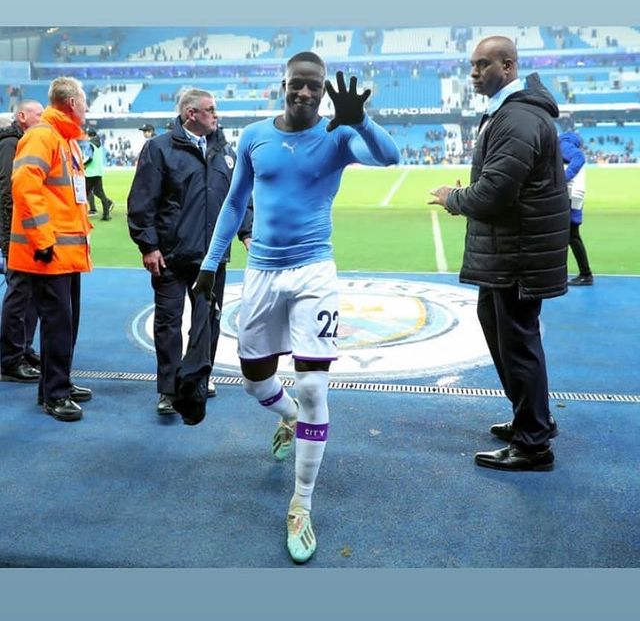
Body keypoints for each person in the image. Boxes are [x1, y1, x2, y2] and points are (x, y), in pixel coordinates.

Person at [193, 51, 400, 563]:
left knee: (311, 383)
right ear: (282, 85)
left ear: (324, 89)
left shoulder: (338, 135)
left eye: (315, 86)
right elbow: (235, 202)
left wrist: (362, 121)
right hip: (261, 270)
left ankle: (301, 503)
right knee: (254, 379)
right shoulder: (254, 136)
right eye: (297, 84)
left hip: (314, 269)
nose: (305, 93)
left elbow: (390, 157)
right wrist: (210, 262)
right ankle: (286, 418)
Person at [429, 36, 569, 472]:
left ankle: (533, 445)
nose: (473, 73)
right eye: (472, 65)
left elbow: (494, 193)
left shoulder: (518, 118)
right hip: (511, 251)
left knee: (518, 343)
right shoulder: (511, 114)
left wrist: (454, 196)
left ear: (507, 67)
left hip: (517, 255)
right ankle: (533, 420)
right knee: (501, 330)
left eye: (482, 65)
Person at [127, 89, 252, 416]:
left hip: (212, 257)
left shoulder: (226, 151)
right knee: (168, 323)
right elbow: (142, 201)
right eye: (210, 110)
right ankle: (168, 390)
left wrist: (246, 232)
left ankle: (198, 380)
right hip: (169, 256)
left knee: (207, 321)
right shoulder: (159, 149)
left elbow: (239, 198)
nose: (216, 115)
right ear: (190, 114)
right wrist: (149, 245)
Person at [9, 77, 93, 422]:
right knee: (58, 324)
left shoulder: (66, 140)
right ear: (72, 103)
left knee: (66, 324)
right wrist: (43, 241)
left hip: (67, 253)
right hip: (49, 253)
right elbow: (24, 185)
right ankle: (54, 394)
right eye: (84, 103)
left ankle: (58, 383)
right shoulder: (44, 137)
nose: (86, 109)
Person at [0, 100, 44, 383]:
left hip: (24, 230)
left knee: (30, 295)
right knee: (19, 295)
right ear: (22, 116)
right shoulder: (10, 145)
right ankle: (10, 359)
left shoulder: (24, 142)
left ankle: (22, 349)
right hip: (16, 233)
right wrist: (6, 238)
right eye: (38, 114)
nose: (43, 118)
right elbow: (6, 191)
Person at [560, 131, 593, 286]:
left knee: (570, 236)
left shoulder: (562, 144)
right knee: (570, 236)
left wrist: (563, 178)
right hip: (575, 195)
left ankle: (586, 274)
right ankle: (584, 273)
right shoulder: (567, 144)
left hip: (570, 195)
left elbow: (579, 157)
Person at [82, 128, 114, 221]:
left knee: (84, 194)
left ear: (88, 135)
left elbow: (90, 158)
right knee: (99, 192)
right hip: (98, 172)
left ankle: (81, 214)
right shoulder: (99, 145)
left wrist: (83, 164)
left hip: (90, 173)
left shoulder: (90, 145)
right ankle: (106, 215)